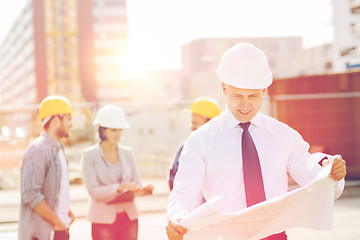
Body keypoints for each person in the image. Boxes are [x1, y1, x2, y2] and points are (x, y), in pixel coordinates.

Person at [166, 43, 347, 240]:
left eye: (252, 96)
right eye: (237, 96)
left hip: (275, 236)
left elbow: (314, 176)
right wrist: (177, 217)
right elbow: (184, 191)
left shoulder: (283, 135)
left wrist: (331, 174)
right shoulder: (200, 140)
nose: (245, 105)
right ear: (224, 88)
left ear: (264, 90)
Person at [81, 104, 154, 240]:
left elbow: (136, 184)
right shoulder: (89, 155)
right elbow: (93, 192)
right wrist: (120, 188)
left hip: (129, 217)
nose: (118, 134)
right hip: (102, 220)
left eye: (120, 130)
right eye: (114, 130)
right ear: (102, 130)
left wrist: (144, 188)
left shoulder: (128, 153)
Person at [19, 95, 75, 240]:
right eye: (69, 119)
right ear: (56, 120)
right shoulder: (39, 150)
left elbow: (54, 189)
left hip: (58, 228)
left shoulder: (58, 149)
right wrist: (57, 222)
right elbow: (31, 194)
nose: (72, 124)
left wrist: (65, 210)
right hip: (42, 233)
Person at [168, 97, 221, 190]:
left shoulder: (224, 148)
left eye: (195, 123)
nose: (192, 127)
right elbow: (173, 178)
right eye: (191, 122)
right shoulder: (183, 148)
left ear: (209, 124)